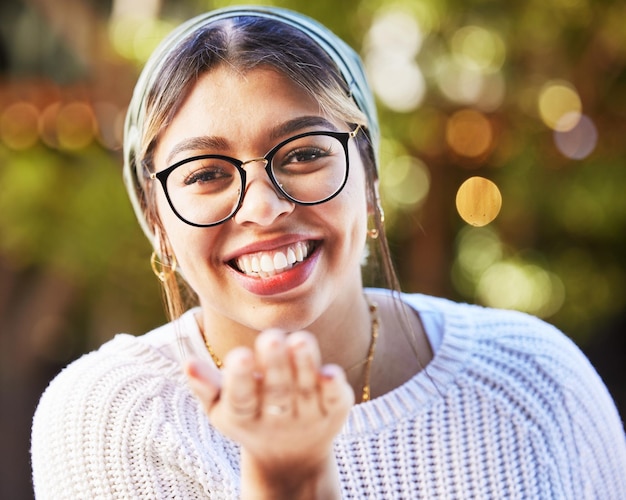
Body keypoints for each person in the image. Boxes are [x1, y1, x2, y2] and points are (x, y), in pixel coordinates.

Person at [31, 5, 626, 499]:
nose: (262, 209)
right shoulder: (113, 418)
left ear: (368, 179)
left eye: (303, 154)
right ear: (157, 220)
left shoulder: (536, 382)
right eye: (206, 173)